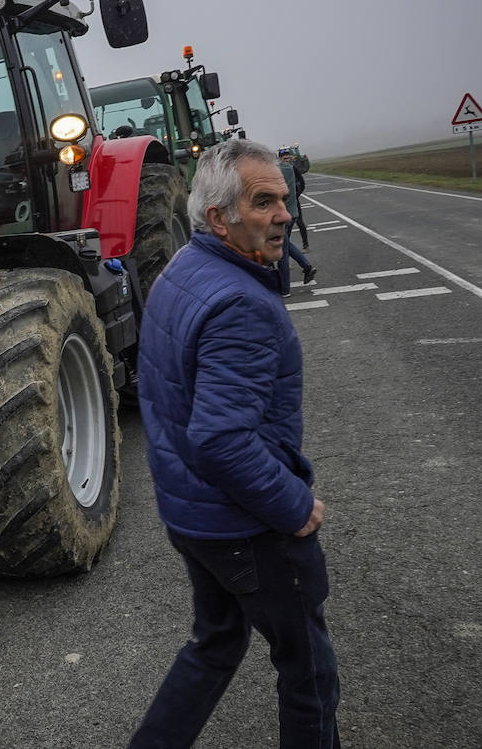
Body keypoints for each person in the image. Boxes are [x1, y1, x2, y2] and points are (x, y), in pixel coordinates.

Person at [129, 140, 341, 748]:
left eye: (283, 198)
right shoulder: (241, 302)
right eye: (263, 202)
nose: (283, 214)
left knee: (215, 642)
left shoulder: (182, 271)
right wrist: (294, 507)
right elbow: (221, 439)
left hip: (192, 516)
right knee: (308, 671)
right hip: (244, 526)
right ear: (219, 217)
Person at [276, 154, 316, 295]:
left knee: (282, 253)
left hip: (280, 216)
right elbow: (301, 184)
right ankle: (307, 267)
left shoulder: (274, 171)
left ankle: (284, 289)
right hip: (292, 212)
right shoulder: (291, 168)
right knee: (286, 244)